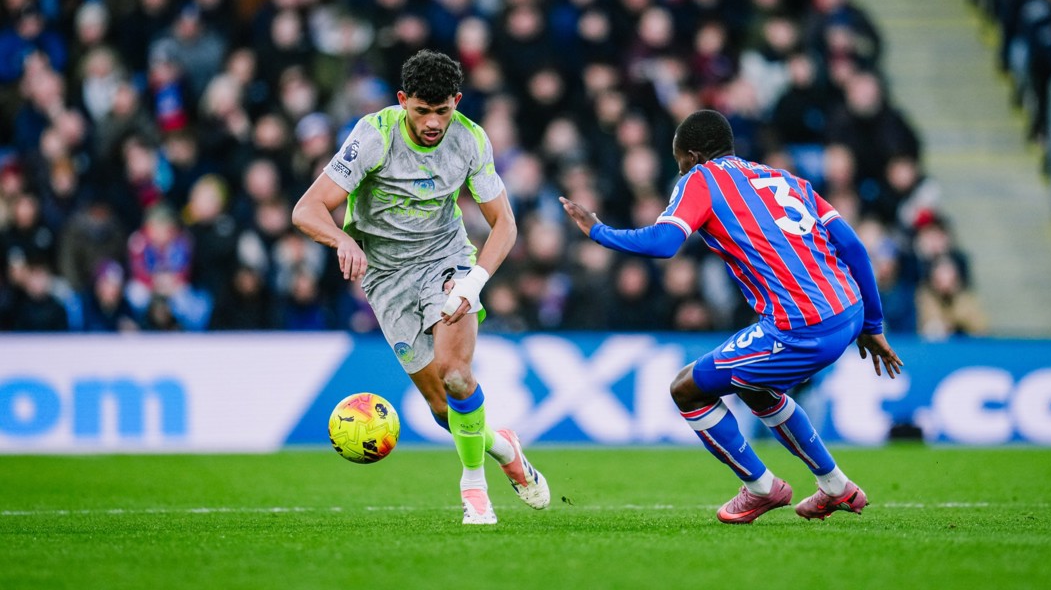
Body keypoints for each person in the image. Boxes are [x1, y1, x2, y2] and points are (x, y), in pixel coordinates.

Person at [561, 109, 903, 524]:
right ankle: (836, 487)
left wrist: (599, 231)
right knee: (754, 386)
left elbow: (666, 242)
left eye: (679, 162)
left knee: (687, 389)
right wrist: (871, 325)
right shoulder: (784, 179)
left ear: (692, 154)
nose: (679, 171)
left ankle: (761, 488)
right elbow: (852, 247)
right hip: (847, 311)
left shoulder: (700, 179)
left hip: (801, 325)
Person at [292, 49, 549, 525]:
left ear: (457, 101)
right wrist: (341, 238)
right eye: (422, 111)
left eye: (442, 111)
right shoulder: (374, 135)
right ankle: (501, 445)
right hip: (385, 276)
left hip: (445, 261)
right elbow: (306, 210)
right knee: (440, 409)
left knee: (456, 374)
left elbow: (505, 225)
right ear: (402, 100)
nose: (433, 122)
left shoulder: (471, 140)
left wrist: (474, 281)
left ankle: (474, 487)